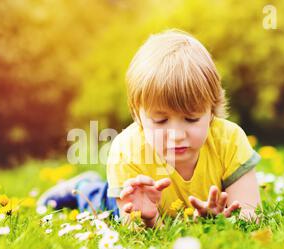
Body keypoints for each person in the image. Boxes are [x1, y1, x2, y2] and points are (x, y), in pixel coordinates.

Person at [38, 29, 261, 227]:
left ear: (212, 110)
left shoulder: (230, 140)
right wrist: (149, 219)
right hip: (127, 200)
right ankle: (83, 186)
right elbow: (135, 231)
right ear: (138, 115)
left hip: (188, 210)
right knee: (101, 202)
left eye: (191, 119)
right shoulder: (126, 150)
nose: (176, 135)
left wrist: (218, 222)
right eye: (161, 121)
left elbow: (251, 215)